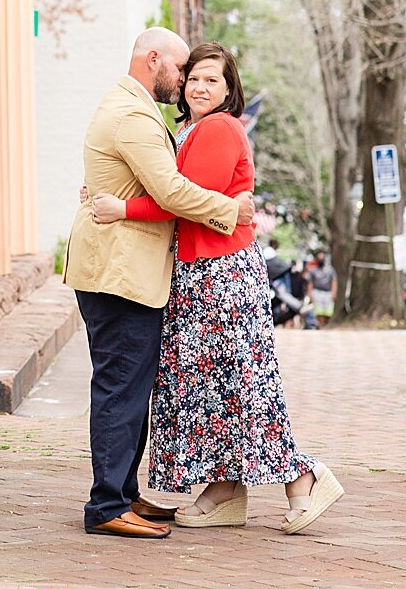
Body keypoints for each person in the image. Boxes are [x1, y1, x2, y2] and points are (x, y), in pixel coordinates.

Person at [91, 42, 344, 535]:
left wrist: (122, 208)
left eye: (212, 80)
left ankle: (304, 478)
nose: (199, 86)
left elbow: (181, 200)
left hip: (221, 276)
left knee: (246, 390)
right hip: (202, 273)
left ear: (229, 90)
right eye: (194, 78)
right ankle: (225, 490)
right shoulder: (190, 129)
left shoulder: (219, 128)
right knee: (219, 390)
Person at [65, 27, 256, 539]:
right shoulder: (132, 114)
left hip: (125, 269)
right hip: (118, 272)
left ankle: (122, 495)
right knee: (121, 386)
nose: (186, 81)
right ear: (156, 60)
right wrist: (230, 210)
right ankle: (107, 505)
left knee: (128, 384)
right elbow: (170, 189)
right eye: (183, 71)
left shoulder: (133, 107)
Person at [306, 254, 337, 322]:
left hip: (328, 293)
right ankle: (320, 325)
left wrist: (334, 292)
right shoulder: (313, 270)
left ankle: (326, 324)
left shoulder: (330, 270)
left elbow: (334, 281)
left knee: (328, 311)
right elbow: (310, 283)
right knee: (318, 311)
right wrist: (310, 294)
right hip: (317, 292)